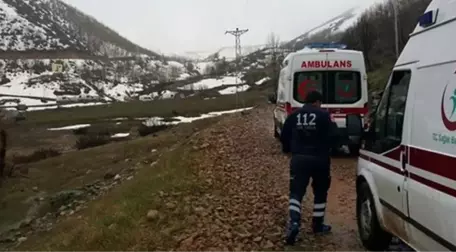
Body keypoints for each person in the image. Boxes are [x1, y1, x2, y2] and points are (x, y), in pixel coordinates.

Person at [280, 90, 337, 245]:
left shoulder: (293, 116)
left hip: (299, 159)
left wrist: (288, 149)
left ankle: (294, 223)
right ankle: (317, 225)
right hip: (321, 159)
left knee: (296, 192)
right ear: (317, 102)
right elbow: (335, 135)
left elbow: (284, 135)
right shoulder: (325, 116)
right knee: (320, 192)